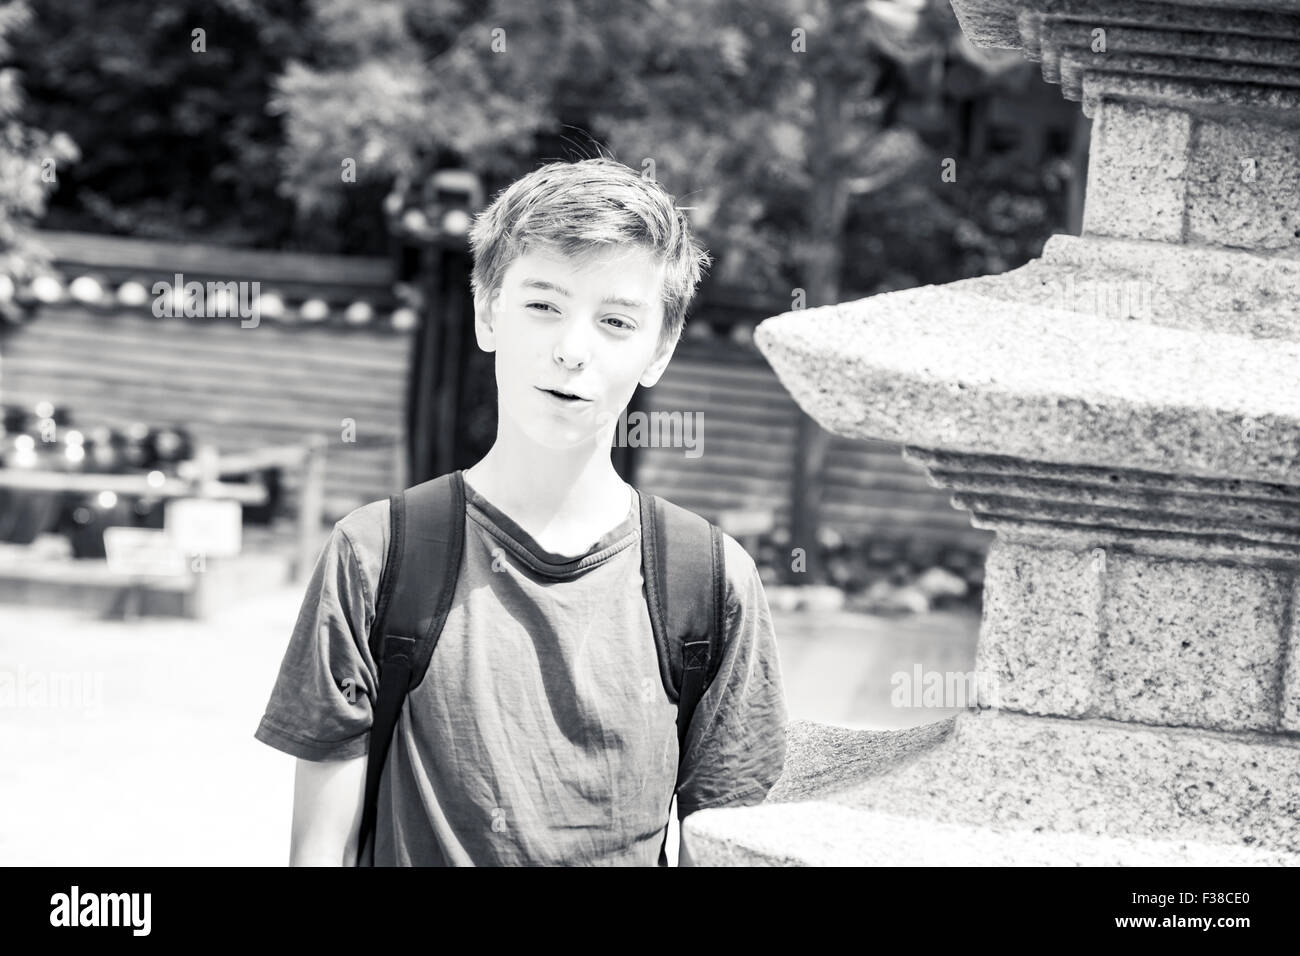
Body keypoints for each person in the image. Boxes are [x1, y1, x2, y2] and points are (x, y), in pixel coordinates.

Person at [254, 157, 788, 866]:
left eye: (616, 320)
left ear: (660, 349)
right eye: (544, 305)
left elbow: (728, 847)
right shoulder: (376, 555)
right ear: (487, 311)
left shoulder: (709, 582)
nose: (572, 350)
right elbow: (318, 853)